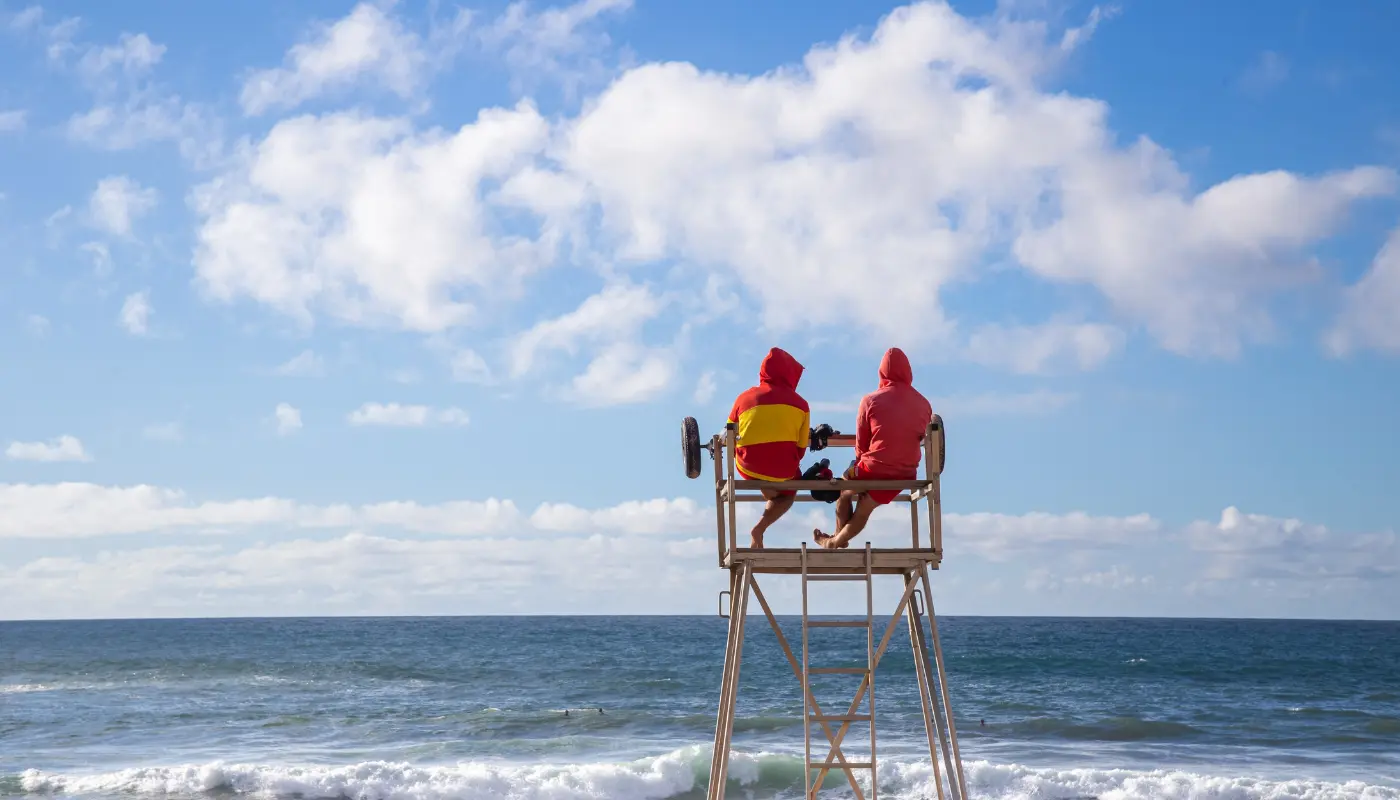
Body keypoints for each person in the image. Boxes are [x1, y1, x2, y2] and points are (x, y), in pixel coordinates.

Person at [814, 347, 931, 549]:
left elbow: (861, 444)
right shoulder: (924, 404)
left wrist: (860, 462)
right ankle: (836, 539)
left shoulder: (870, 400)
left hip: (874, 467)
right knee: (865, 507)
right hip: (905, 473)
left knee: (844, 492)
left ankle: (834, 540)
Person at [727, 347, 810, 549]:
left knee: (766, 477)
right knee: (788, 491)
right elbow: (800, 449)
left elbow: (729, 432)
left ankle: (766, 485)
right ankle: (760, 528)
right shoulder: (801, 405)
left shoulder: (743, 398)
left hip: (747, 467)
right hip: (782, 470)